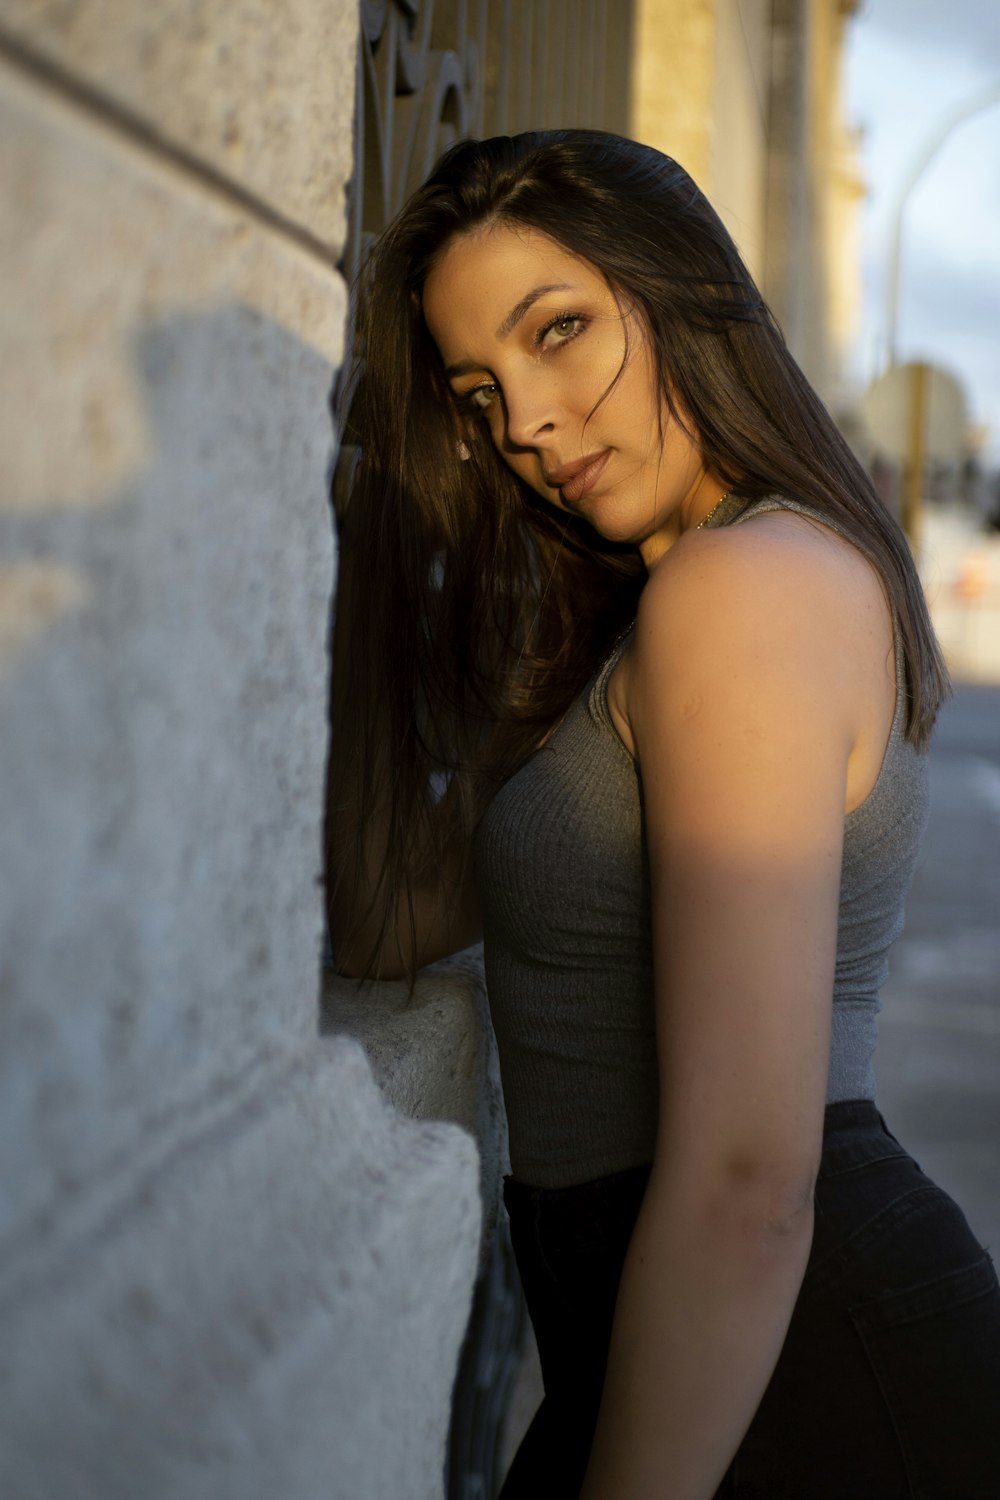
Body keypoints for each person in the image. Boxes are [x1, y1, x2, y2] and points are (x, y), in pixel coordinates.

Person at [327, 130, 1000, 1499]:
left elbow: (752, 1179)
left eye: (558, 331)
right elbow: (386, 915)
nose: (524, 422)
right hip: (694, 1346)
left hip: (801, 1371)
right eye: (477, 390)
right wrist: (376, 576)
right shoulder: (650, 617)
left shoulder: (739, 593)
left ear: (682, 288)